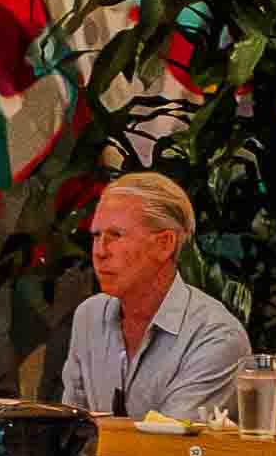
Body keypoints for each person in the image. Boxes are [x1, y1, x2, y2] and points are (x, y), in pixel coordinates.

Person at [49, 169, 257, 425]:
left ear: (165, 244)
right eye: (96, 236)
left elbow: (168, 448)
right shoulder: (89, 316)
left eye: (115, 235)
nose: (100, 252)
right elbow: (70, 431)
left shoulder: (216, 337)